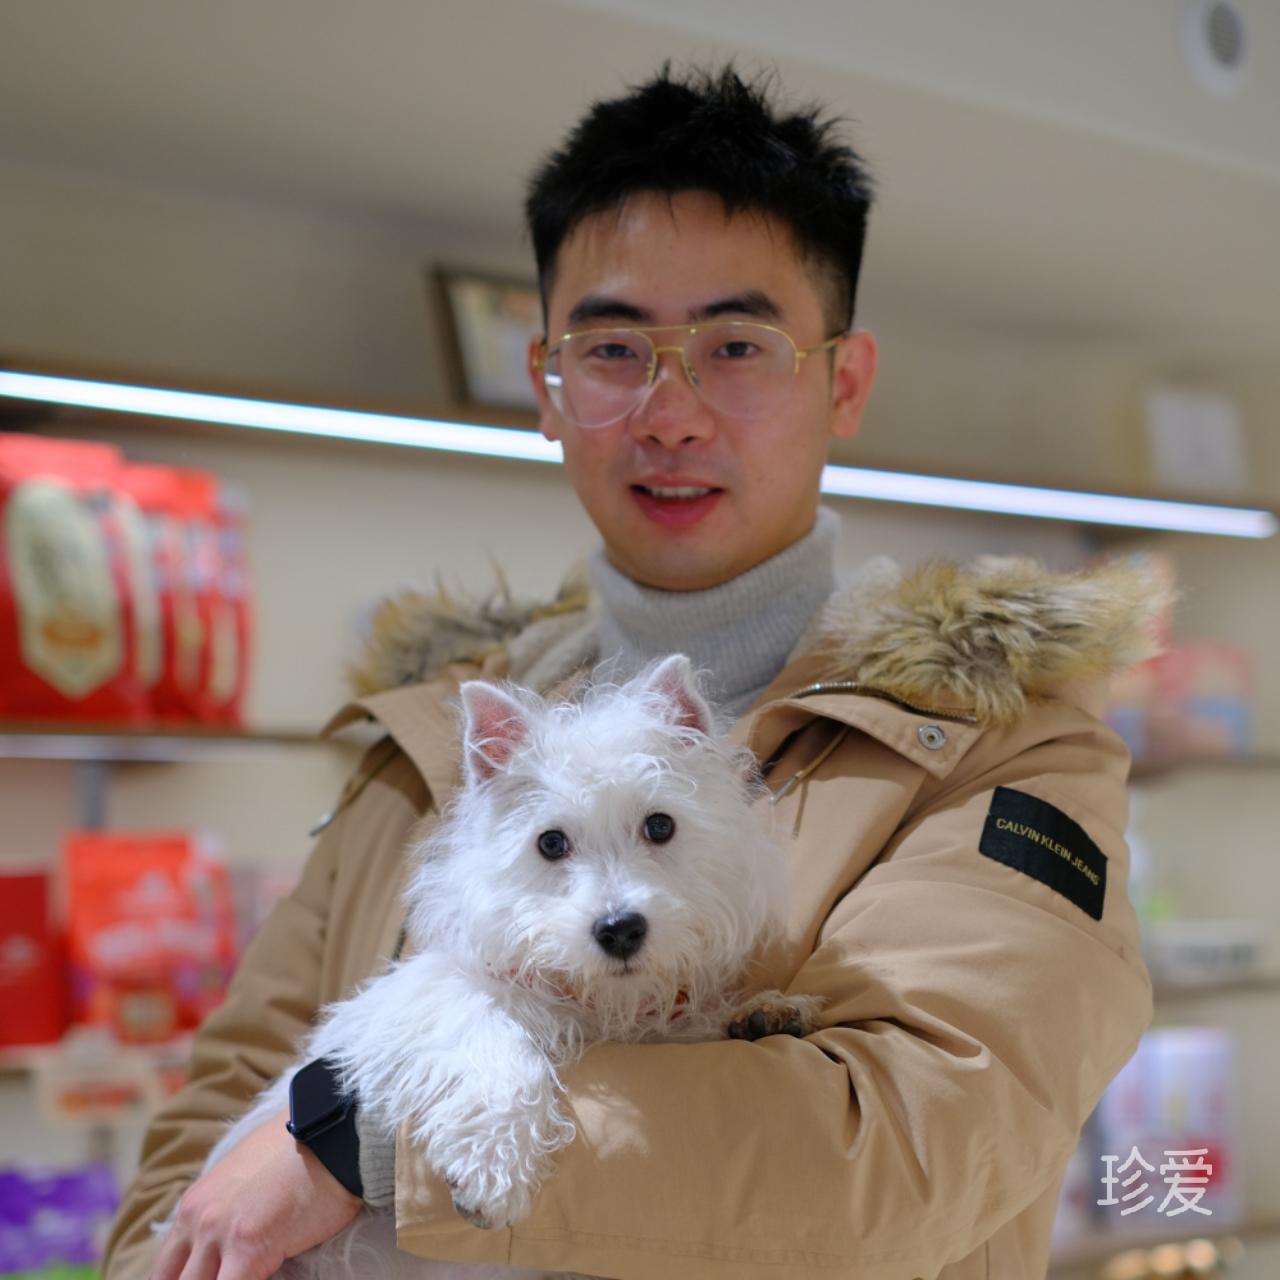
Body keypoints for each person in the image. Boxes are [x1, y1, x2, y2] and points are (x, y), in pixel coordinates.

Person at [106, 64, 1166, 1280]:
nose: (669, 412)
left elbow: (904, 1144)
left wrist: (370, 1143)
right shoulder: (425, 748)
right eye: (612, 347)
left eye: (735, 344)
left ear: (844, 380)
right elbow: (216, 1126)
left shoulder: (997, 749)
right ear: (547, 387)